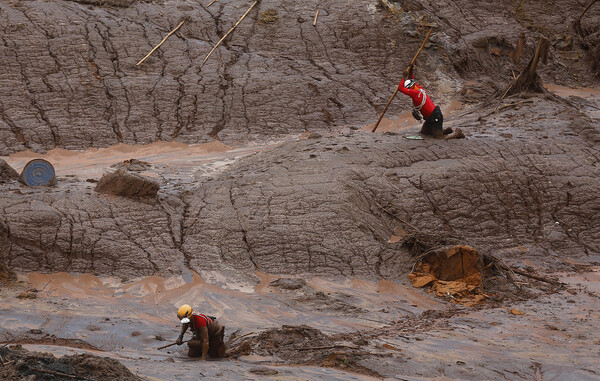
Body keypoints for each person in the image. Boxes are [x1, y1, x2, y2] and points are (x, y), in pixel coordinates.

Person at [398, 66, 444, 137]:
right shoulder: (419, 88)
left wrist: (404, 77)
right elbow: (411, 80)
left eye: (408, 88)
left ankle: (456, 134)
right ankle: (445, 131)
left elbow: (400, 88)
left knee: (438, 137)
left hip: (435, 115)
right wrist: (411, 72)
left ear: (410, 87)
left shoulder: (414, 93)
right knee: (424, 133)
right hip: (430, 117)